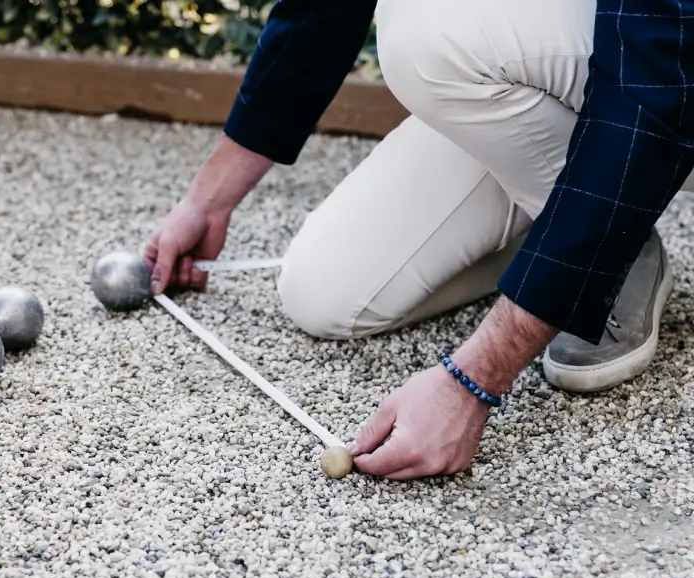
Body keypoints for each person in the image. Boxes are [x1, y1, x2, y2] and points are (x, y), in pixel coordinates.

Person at [144, 0, 694, 481]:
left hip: (664, 63)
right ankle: (565, 224)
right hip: (528, 62)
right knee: (325, 292)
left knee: (429, 34)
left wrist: (474, 380)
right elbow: (322, 9)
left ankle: (611, 256)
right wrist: (206, 201)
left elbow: (663, 73)